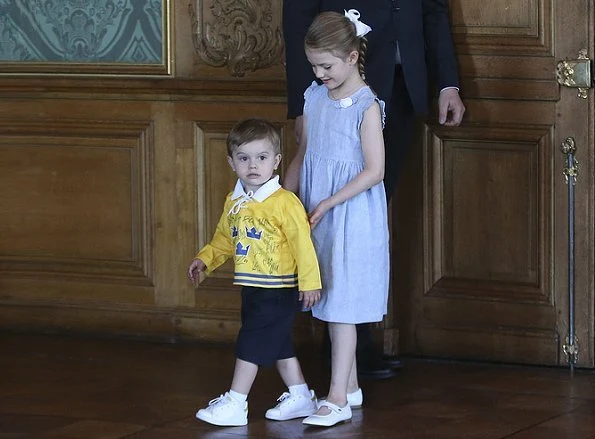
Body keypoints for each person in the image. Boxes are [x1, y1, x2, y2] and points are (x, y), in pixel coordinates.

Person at [283, 0, 466, 379]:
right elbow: (298, 16)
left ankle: (353, 352)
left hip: (403, 87)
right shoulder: (320, 89)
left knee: (364, 224)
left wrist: (448, 81)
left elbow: (432, 11)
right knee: (331, 226)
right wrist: (302, 104)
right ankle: (343, 357)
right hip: (335, 85)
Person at [283, 11, 389, 427]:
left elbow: (374, 170)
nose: (319, 73)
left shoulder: (366, 105)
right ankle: (353, 385)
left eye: (326, 66)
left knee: (342, 306)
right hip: (317, 211)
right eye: (314, 66)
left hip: (350, 213)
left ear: (351, 56)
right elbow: (304, 151)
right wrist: (284, 197)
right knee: (327, 297)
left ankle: (337, 397)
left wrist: (328, 202)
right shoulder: (313, 97)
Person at [187, 118, 322, 427]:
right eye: (243, 158)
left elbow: (303, 243)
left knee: (252, 340)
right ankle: (301, 395)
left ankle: (236, 401)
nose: (253, 165)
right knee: (276, 341)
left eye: (261, 157)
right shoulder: (234, 201)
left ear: (276, 161)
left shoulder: (284, 202)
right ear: (231, 162)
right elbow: (225, 238)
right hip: (252, 286)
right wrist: (206, 260)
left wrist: (310, 282)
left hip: (280, 287)